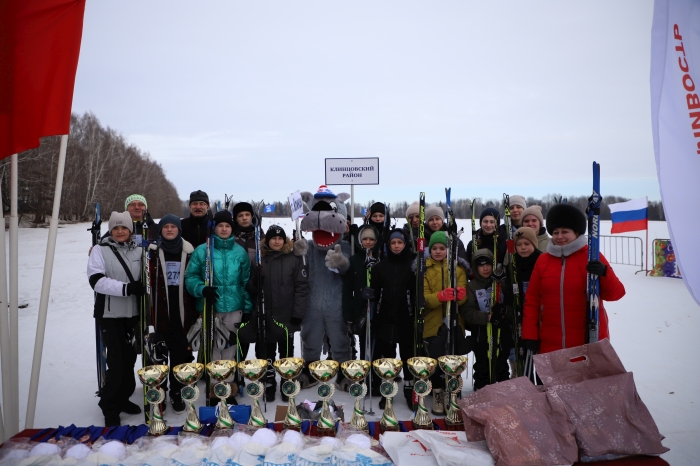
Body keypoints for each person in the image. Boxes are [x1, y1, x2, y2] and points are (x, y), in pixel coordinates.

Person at [521, 204, 626, 355]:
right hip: (550, 342)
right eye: (555, 232)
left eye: (565, 231)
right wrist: (530, 335)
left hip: (587, 342)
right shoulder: (543, 260)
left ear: (576, 232)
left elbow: (616, 294)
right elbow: (532, 301)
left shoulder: (591, 255)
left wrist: (604, 273)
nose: (559, 236)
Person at [185, 210, 253, 394]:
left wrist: (247, 307)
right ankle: (216, 387)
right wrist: (201, 289)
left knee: (230, 350)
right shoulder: (202, 250)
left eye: (227, 226)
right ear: (214, 227)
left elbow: (245, 282)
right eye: (220, 225)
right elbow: (190, 277)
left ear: (232, 228)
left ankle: (229, 386)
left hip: (234, 308)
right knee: (214, 349)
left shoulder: (240, 252)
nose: (224, 229)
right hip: (210, 309)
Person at [87, 211, 143, 426]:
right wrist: (127, 288)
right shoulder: (100, 251)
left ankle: (122, 398)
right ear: (111, 230)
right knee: (117, 363)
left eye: (124, 228)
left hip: (133, 315)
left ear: (130, 230)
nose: (120, 231)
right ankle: (109, 406)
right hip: (109, 315)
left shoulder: (139, 250)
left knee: (129, 361)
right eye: (116, 228)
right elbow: (97, 281)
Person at [244, 225, 309, 402]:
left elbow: (302, 287)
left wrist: (298, 312)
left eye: (280, 238)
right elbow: (250, 287)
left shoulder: (293, 259)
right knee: (266, 351)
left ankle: (287, 382)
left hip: (287, 314)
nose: (277, 241)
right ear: (268, 240)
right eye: (273, 238)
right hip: (265, 314)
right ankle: (268, 381)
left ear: (285, 240)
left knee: (286, 351)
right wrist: (255, 280)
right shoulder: (259, 259)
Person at [147, 214, 198, 414]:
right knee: (160, 356)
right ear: (160, 230)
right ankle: (160, 392)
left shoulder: (190, 252)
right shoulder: (151, 252)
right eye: (165, 227)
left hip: (183, 312)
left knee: (181, 356)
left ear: (179, 230)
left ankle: (177, 392)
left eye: (173, 227)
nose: (169, 230)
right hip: (160, 312)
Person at [367, 228, 416, 409]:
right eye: (393, 243)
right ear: (388, 245)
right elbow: (375, 291)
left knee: (407, 356)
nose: (396, 246)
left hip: (406, 317)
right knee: (387, 357)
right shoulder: (381, 267)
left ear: (405, 244)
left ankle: (410, 389)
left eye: (400, 243)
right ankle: (387, 389)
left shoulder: (413, 264)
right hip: (385, 317)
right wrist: (370, 295)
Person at [422, 231, 468, 415]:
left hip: (455, 322)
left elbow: (463, 295)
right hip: (433, 322)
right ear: (430, 249)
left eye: (442, 248)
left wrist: (461, 297)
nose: (438, 251)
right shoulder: (425, 268)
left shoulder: (458, 269)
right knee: (435, 359)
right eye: (435, 248)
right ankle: (438, 392)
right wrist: (439, 297)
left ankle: (453, 391)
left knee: (452, 359)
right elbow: (423, 297)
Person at [459, 248, 511, 390]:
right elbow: (467, 311)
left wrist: (504, 311)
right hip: (481, 333)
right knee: (482, 366)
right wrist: (486, 317)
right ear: (476, 267)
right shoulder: (472, 286)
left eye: (488, 264)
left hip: (501, 331)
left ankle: (504, 394)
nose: (485, 268)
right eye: (481, 265)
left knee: (501, 364)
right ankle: (482, 392)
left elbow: (512, 306)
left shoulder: (502, 282)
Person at [342, 224, 382, 385]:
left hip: (378, 310)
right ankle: (364, 378)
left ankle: (377, 379)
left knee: (377, 346)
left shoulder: (380, 259)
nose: (368, 242)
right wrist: (348, 315)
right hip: (360, 310)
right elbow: (347, 290)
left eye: (371, 239)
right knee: (364, 343)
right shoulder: (354, 260)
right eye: (365, 239)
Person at [501, 227, 542, 379]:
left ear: (534, 244)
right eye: (519, 245)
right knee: (518, 352)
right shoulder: (511, 264)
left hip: (538, 316)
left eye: (527, 244)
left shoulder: (541, 261)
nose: (523, 248)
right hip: (517, 316)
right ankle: (519, 376)